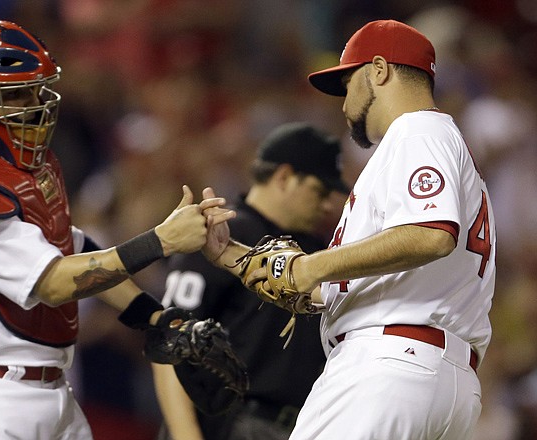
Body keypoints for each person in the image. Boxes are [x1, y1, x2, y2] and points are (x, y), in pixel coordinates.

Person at [0, 20, 234, 440]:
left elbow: (72, 249)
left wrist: (156, 318)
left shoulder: (24, 166)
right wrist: (161, 240)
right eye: (18, 94)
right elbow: (55, 282)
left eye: (38, 89)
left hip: (52, 391)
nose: (36, 103)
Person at [201, 19, 497, 440]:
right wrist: (228, 253)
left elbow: (432, 233)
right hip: (440, 379)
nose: (343, 104)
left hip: (389, 366)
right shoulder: (433, 145)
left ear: (379, 70)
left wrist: (311, 265)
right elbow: (324, 287)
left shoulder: (417, 131)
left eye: (349, 82)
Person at [152, 122, 348, 440]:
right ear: (284, 177)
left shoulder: (314, 253)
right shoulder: (223, 235)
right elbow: (169, 341)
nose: (327, 204)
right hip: (228, 424)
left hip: (301, 427)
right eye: (320, 190)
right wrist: (185, 435)